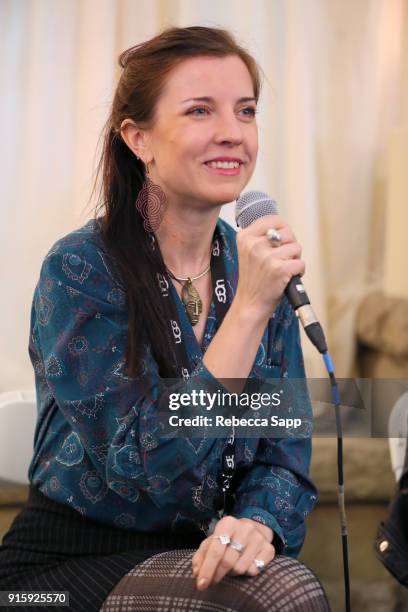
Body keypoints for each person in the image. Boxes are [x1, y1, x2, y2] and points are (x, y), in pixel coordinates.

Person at [0, 26, 330, 611]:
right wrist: (249, 310)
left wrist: (256, 524)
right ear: (139, 139)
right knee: (269, 598)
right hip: (61, 571)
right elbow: (145, 465)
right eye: (200, 110)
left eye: (246, 111)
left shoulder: (256, 264)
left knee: (280, 581)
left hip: (199, 555)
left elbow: (286, 453)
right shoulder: (80, 269)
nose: (232, 133)